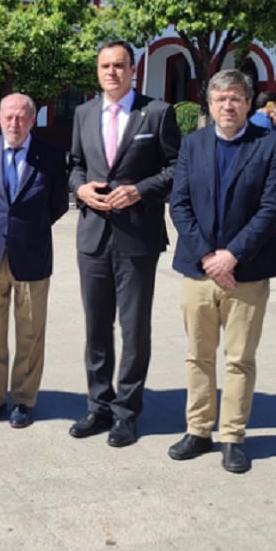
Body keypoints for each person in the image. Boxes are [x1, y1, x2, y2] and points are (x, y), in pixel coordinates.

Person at [167, 70, 276, 474]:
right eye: (219, 98)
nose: (228, 106)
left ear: (249, 102)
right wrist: (207, 256)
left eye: (235, 98)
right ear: (210, 103)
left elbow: (272, 209)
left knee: (239, 359)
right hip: (198, 273)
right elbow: (179, 205)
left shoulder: (269, 145)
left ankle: (232, 436)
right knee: (198, 356)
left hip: (247, 273)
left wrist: (232, 255)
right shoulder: (193, 144)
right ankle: (198, 429)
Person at [67, 42, 181, 447]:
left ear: (133, 70)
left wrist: (140, 190)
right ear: (97, 71)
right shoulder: (83, 113)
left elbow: (175, 168)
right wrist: (80, 189)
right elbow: (76, 164)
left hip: (137, 237)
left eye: (119, 66)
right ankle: (98, 405)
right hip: (93, 236)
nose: (111, 72)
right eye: (105, 66)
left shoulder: (157, 112)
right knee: (96, 328)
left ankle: (126, 413)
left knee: (134, 330)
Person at [0, 93, 69, 428]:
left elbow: (58, 205)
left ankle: (24, 400)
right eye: (9, 116)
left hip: (33, 256)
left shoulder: (52, 156)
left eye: (22, 117)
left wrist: (28, 230)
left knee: (30, 333)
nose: (15, 123)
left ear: (33, 119)